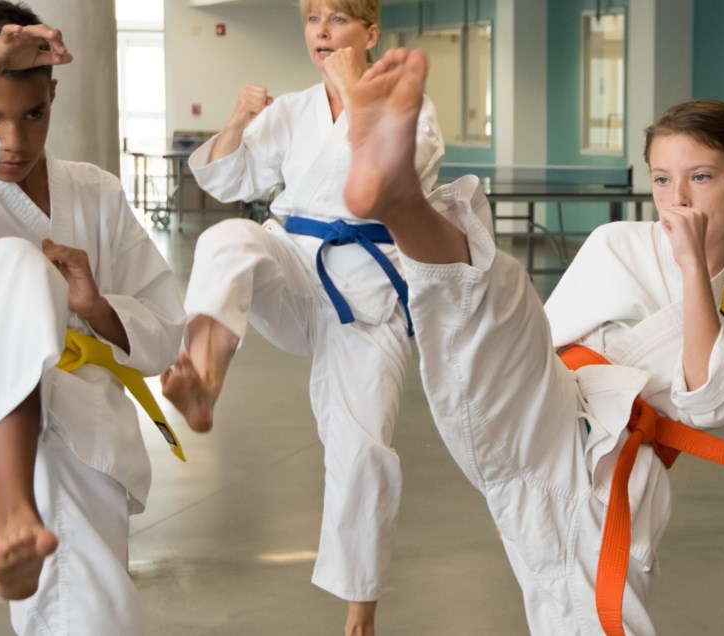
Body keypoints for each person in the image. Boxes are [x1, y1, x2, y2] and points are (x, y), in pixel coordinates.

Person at [336, 48, 724, 634]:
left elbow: (708, 401)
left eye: (701, 177)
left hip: (620, 473)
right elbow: (532, 348)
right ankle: (400, 199)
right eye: (662, 179)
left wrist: (692, 272)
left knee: (589, 621)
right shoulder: (615, 242)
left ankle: (401, 199)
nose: (678, 198)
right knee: (503, 291)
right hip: (546, 412)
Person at [0, 2, 186, 633]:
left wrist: (94, 306)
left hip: (79, 421)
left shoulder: (95, 191)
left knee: (95, 608)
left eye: (33, 114)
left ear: (53, 95)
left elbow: (164, 328)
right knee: (16, 263)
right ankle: (12, 509)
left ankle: (24, 524)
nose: (14, 141)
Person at [159, 0, 443, 632]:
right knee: (228, 240)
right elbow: (227, 182)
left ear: (370, 33)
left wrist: (352, 91)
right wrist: (236, 120)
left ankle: (358, 616)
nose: (322, 30)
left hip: (368, 294)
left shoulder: (411, 105)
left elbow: (397, 173)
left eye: (338, 18)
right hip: (292, 261)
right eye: (313, 18)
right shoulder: (291, 111)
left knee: (363, 447)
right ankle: (204, 376)